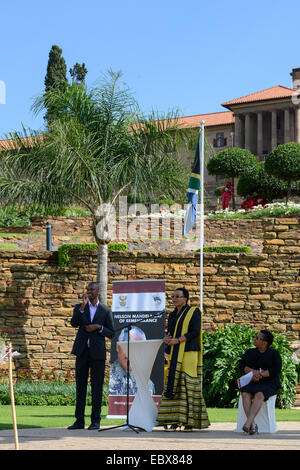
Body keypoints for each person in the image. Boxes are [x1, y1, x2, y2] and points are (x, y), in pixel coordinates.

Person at [157, 287, 210, 432]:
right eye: (173, 296)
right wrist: (167, 339)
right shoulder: (173, 315)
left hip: (188, 351)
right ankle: (174, 420)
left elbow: (195, 331)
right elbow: (171, 332)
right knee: (175, 385)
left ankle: (189, 422)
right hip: (175, 352)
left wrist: (178, 340)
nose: (174, 299)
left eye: (177, 296)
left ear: (185, 298)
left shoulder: (193, 312)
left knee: (186, 385)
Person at [68, 282, 114, 430]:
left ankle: (95, 421)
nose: (89, 292)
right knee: (80, 387)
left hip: (97, 353)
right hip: (82, 352)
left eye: (92, 289)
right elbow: (74, 323)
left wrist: (98, 327)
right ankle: (79, 421)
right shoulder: (80, 308)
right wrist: (82, 307)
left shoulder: (105, 310)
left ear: (98, 291)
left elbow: (112, 333)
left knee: (97, 388)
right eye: (88, 290)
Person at [239, 329, 282, 435]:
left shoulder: (274, 353)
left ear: (264, 342)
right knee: (245, 393)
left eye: (257, 338)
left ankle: (248, 423)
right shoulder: (250, 352)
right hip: (252, 381)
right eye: (255, 337)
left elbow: (276, 369)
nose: (255, 339)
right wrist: (252, 372)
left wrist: (261, 374)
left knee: (259, 394)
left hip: (269, 382)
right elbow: (241, 365)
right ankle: (252, 425)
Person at [109, 326, 155, 395]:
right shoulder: (108, 378)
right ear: (118, 347)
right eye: (127, 345)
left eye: (137, 347)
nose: (130, 351)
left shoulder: (148, 384)